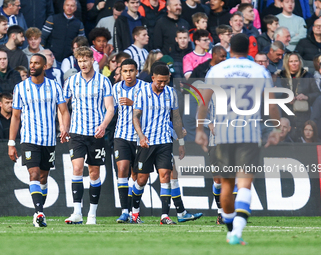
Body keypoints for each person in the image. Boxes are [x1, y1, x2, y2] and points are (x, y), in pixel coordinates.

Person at [196, 33, 281, 245]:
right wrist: (276, 129)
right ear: (248, 51)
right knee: (244, 185)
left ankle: (230, 230)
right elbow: (271, 105)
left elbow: (203, 103)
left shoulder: (216, 70)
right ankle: (237, 232)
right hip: (249, 134)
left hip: (223, 135)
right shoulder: (259, 71)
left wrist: (200, 129)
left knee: (226, 185)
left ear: (230, 48)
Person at [8, 53, 70, 227]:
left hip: (49, 140)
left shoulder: (55, 86)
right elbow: (15, 117)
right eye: (31, 63)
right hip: (29, 138)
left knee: (43, 177)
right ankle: (39, 213)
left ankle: (39, 210)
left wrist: (64, 127)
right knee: (33, 174)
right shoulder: (20, 87)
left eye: (36, 63)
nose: (33, 66)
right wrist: (11, 142)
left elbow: (64, 111)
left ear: (44, 66)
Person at [63, 46, 114, 225]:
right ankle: (77, 212)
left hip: (96, 134)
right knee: (76, 168)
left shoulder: (103, 81)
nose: (83, 64)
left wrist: (103, 125)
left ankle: (92, 214)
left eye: (85, 60)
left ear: (93, 60)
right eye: (80, 61)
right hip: (77, 133)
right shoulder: (71, 81)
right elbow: (63, 107)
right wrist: (64, 126)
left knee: (94, 172)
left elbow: (110, 108)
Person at [132, 64, 185, 224]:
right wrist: (141, 136)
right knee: (141, 179)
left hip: (164, 141)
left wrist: (180, 142)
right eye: (160, 81)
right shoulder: (141, 92)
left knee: (166, 175)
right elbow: (135, 116)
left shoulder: (171, 93)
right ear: (153, 78)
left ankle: (164, 216)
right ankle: (134, 213)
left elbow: (175, 118)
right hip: (146, 142)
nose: (163, 85)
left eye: (166, 81)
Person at [112, 59, 148, 223]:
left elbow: (151, 110)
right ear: (121, 72)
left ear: (136, 71)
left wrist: (133, 103)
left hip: (140, 137)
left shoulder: (145, 88)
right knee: (122, 169)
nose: (128, 74)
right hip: (121, 136)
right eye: (125, 71)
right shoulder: (116, 88)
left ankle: (135, 212)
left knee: (138, 176)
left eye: (131, 71)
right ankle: (124, 211)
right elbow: (111, 110)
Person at [275, 52, 321, 140]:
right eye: (291, 61)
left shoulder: (308, 75)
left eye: (296, 61)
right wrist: (286, 98)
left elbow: (318, 94)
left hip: (303, 116)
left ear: (300, 62)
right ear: (287, 63)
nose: (294, 63)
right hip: (286, 115)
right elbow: (275, 94)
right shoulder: (280, 76)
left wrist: (306, 97)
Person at [41, 0, 85, 64]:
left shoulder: (79, 24)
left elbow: (82, 43)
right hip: (52, 58)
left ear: (75, 8)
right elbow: (42, 37)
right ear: (63, 6)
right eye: (67, 5)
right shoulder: (52, 19)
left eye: (72, 6)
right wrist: (43, 53)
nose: (69, 8)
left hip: (69, 60)